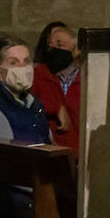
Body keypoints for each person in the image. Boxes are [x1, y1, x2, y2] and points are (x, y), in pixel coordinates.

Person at [31, 22, 82, 154]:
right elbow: (27, 105)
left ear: (76, 50)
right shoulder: (38, 74)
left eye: (60, 45)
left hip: (81, 157)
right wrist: (55, 107)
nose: (53, 49)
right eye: (50, 45)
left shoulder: (87, 79)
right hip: (49, 154)